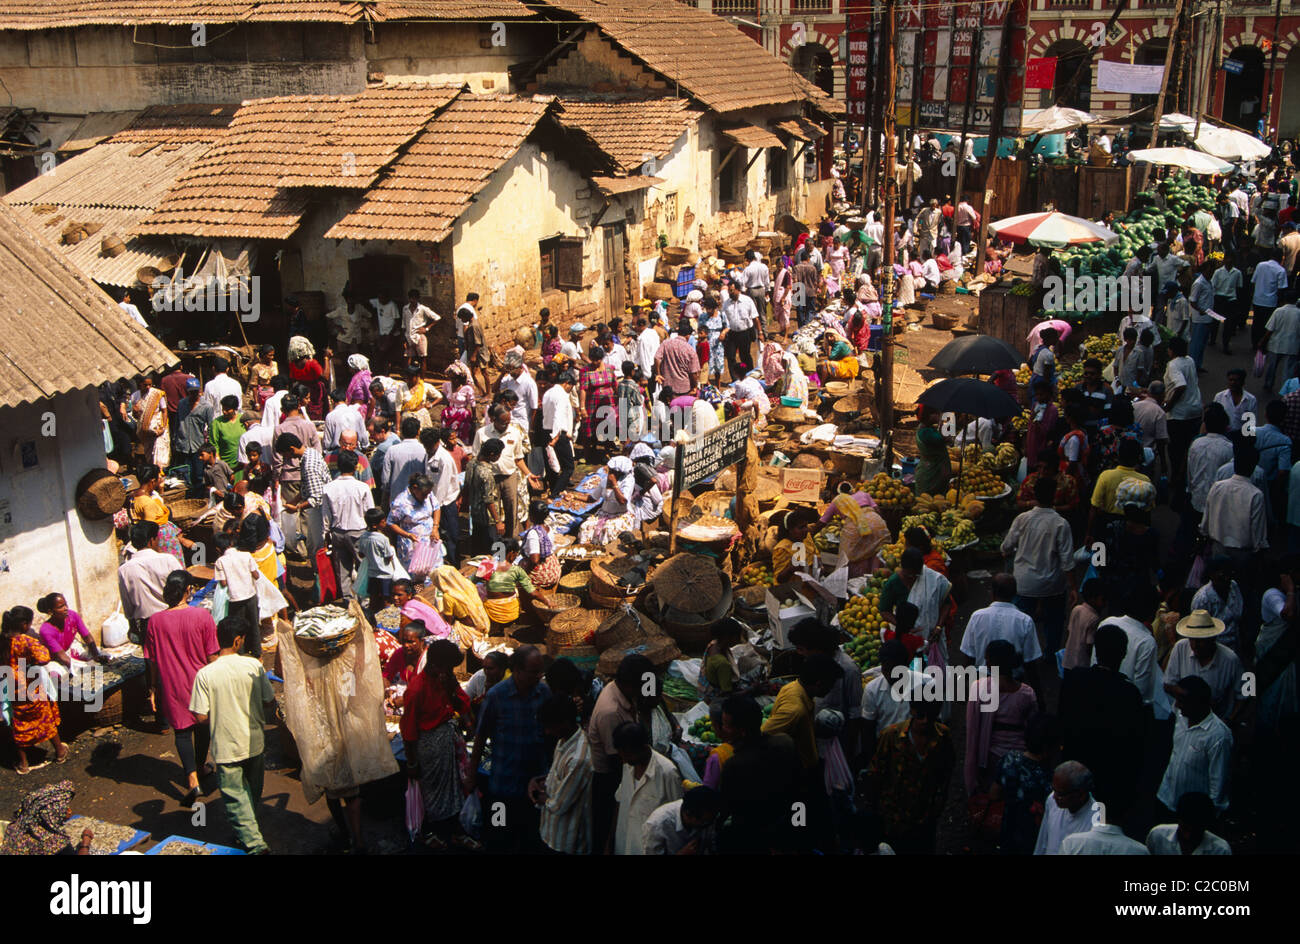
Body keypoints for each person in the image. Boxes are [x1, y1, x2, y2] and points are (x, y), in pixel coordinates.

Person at [188, 615, 276, 854]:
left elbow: (200, 717)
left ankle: (254, 843)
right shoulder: (254, 666)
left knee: (237, 798)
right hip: (254, 742)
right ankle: (252, 838)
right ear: (238, 641)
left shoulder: (205, 674)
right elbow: (269, 701)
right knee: (251, 793)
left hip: (226, 747)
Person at [466, 645, 550, 853]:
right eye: (534, 672)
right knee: (499, 836)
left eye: (540, 671)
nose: (539, 676)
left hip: (534, 786)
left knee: (530, 838)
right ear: (518, 671)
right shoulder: (496, 696)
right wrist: (471, 774)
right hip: (502, 785)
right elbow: (480, 735)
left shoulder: (544, 693)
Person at [144, 572, 218, 806]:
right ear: (187, 590)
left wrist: (154, 688)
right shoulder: (202, 616)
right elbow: (212, 656)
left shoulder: (155, 621)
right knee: (202, 724)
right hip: (201, 681)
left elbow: (152, 660)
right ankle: (200, 766)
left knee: (182, 732)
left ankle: (192, 779)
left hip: (171, 682)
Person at [1059, 622, 1145, 817]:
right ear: (1123, 654)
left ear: (1096, 651)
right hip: (1109, 778)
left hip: (1074, 769)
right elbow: (1134, 744)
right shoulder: (1129, 693)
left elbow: (1062, 720)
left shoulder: (1074, 679)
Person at [400, 638, 475, 851]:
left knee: (452, 790)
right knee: (432, 792)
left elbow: (463, 703)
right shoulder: (417, 689)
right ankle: (429, 832)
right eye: (448, 667)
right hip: (429, 747)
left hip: (447, 742)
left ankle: (454, 831)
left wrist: (452, 688)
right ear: (435, 665)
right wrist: (412, 762)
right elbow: (409, 730)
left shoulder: (445, 680)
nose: (450, 671)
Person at [864, 699, 955, 854]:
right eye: (920, 715)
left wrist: (938, 806)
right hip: (893, 816)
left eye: (931, 716)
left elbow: (946, 772)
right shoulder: (891, 736)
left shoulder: (943, 736)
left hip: (924, 817)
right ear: (912, 710)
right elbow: (876, 774)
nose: (925, 721)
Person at [1002, 477, 1077, 655]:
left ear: (1035, 495)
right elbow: (1067, 560)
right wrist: (1073, 587)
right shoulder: (1061, 524)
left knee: (1019, 623)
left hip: (1024, 583)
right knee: (1054, 622)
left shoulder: (1022, 519)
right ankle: (1050, 654)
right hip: (1052, 584)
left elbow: (1006, 547)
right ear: (1054, 497)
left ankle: (1019, 657)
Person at [965, 640, 1038, 795]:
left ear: (989, 662)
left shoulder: (979, 687)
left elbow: (972, 731)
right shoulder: (1027, 693)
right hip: (1020, 756)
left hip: (990, 756)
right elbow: (1032, 728)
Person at [2, 607, 68, 773]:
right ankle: (60, 751)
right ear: (25, 625)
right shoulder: (25, 641)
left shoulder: (3, 640)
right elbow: (44, 658)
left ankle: (23, 764)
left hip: (12, 687)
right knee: (45, 716)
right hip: (30, 684)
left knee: (20, 722)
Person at [1157, 676, 1232, 816]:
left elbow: (1218, 784)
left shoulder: (1219, 736)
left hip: (1192, 813)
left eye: (1182, 700)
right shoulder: (1180, 717)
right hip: (1166, 798)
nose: (1177, 705)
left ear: (1198, 703)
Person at [530, 693, 593, 855]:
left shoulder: (579, 759)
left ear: (564, 722)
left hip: (565, 841)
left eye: (550, 726)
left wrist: (540, 797)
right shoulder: (563, 741)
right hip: (550, 831)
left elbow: (559, 804)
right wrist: (540, 782)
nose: (547, 731)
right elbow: (556, 777)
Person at [609, 720, 684, 855]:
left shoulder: (667, 772)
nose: (624, 759)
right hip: (624, 844)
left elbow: (677, 819)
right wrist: (609, 843)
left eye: (627, 754)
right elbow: (620, 800)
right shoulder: (628, 765)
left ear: (642, 747)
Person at [991, 715, 1060, 856]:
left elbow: (994, 794)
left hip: (1007, 834)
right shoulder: (1051, 779)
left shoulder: (1009, 760)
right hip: (1035, 841)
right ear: (1048, 748)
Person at [762, 653, 843, 771]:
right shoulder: (795, 710)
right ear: (819, 684)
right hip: (796, 770)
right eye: (830, 685)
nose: (830, 690)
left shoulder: (793, 686)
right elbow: (764, 734)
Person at [1165, 609, 1245, 720]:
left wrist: (1230, 721)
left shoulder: (1231, 660)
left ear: (1213, 638)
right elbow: (1168, 684)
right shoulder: (1180, 648)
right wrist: (1193, 700)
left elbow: (1245, 694)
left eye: (1200, 641)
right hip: (1182, 722)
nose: (1194, 645)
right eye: (1192, 640)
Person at [960, 573, 1045, 675]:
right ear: (1015, 593)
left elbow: (969, 655)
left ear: (992, 593)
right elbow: (1030, 661)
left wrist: (964, 683)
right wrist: (1036, 689)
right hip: (1012, 680)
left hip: (983, 678)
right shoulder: (1025, 620)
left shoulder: (977, 616)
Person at [118, 521, 186, 640]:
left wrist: (133, 627)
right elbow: (184, 588)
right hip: (173, 617)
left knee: (153, 657)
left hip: (147, 625)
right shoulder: (168, 560)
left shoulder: (124, 569)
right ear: (151, 541)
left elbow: (127, 604)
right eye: (157, 539)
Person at [1201, 442, 1269, 561]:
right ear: (1253, 467)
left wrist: (1204, 532)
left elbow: (1207, 514)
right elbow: (1257, 528)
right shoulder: (1255, 494)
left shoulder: (1217, 486)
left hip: (1218, 545)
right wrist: (1259, 548)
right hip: (1242, 552)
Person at [321, 448, 374, 598]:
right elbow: (369, 512)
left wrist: (325, 535)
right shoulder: (362, 488)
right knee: (363, 568)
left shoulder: (328, 488)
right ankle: (363, 601)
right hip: (358, 532)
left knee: (343, 570)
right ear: (356, 466)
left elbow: (326, 516)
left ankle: (347, 601)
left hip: (337, 532)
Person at [1163, 337, 1203, 499]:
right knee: (1189, 446)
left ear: (1171, 350)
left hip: (1180, 414)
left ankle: (1177, 478)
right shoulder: (1190, 360)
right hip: (1195, 410)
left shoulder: (1173, 365)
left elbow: (1180, 385)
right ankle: (1185, 475)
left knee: (1176, 449)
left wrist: (1169, 406)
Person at [1033, 761, 1096, 855]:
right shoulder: (1051, 800)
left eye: (1060, 794)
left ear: (1081, 794)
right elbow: (1043, 842)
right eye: (1053, 790)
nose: (1055, 797)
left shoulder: (1096, 818)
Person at [1146, 792, 1233, 855]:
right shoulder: (1157, 835)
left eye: (1196, 831)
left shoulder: (1221, 850)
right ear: (1178, 821)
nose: (1188, 836)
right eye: (1185, 829)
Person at [642, 787, 722, 855]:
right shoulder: (658, 824)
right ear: (689, 815)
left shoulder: (708, 817)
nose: (707, 825)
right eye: (704, 822)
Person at [35, 593, 106, 668]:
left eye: (65, 604)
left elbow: (87, 637)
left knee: (100, 653)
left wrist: (96, 655)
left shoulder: (72, 615)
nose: (65, 608)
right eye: (61, 607)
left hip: (69, 651)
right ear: (50, 612)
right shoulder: (46, 630)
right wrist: (86, 666)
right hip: (56, 659)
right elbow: (61, 656)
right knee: (55, 671)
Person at [386, 473, 438, 575]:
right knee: (415, 575)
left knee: (432, 573)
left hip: (430, 540)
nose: (426, 496)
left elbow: (436, 508)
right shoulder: (401, 502)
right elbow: (391, 523)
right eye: (424, 494)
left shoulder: (428, 494)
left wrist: (435, 527)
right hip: (411, 544)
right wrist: (408, 535)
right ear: (415, 488)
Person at [462, 438, 505, 557]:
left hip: (475, 513)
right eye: (499, 454)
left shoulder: (471, 463)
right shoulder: (486, 473)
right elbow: (488, 499)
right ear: (492, 454)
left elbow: (466, 485)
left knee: (477, 546)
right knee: (496, 547)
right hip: (488, 518)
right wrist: (498, 521)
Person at [1262, 288, 1300, 391]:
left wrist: (1262, 342)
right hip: (1292, 345)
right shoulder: (1298, 313)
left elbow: (1270, 329)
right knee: (1288, 370)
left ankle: (1268, 384)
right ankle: (1285, 389)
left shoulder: (1278, 311)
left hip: (1276, 344)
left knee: (1272, 367)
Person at [913, 406, 952, 497]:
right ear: (930, 416)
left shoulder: (927, 429)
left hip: (931, 470)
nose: (939, 415)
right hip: (931, 474)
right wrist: (942, 425)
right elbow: (947, 439)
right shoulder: (926, 433)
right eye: (937, 414)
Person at [1213, 368, 1257, 437]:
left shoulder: (1251, 400)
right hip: (1222, 435)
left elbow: (1251, 425)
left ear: (1243, 382)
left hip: (1241, 437)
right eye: (1230, 380)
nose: (1233, 383)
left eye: (1236, 380)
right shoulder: (1219, 397)